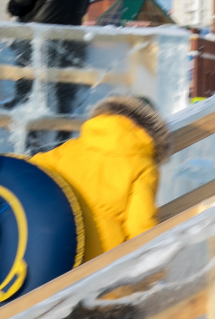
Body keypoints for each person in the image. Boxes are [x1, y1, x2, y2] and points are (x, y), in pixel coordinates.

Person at [30, 95, 171, 262]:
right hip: (99, 263)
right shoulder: (143, 166)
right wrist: (154, 268)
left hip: (53, 249)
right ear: (150, 130)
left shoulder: (71, 148)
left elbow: (31, 169)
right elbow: (140, 226)